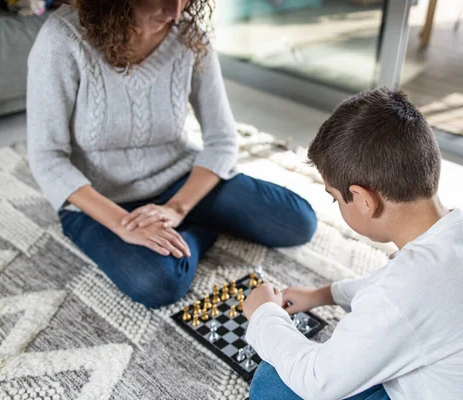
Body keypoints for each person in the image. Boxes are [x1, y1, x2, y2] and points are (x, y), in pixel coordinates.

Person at [243, 88, 463, 400]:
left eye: (335, 199)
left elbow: (318, 382)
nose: (336, 204)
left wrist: (264, 314)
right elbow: (402, 288)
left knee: (272, 383)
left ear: (362, 200)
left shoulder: (403, 293)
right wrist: (326, 294)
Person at [27, 0, 317, 309]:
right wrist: (126, 225)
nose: (176, 11)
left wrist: (178, 207)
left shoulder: (189, 36)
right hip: (99, 200)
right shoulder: (64, 37)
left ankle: (183, 223)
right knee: (158, 282)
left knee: (298, 222)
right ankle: (198, 232)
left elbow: (222, 139)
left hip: (178, 178)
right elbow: (47, 157)